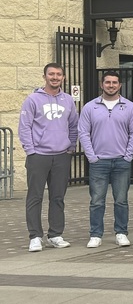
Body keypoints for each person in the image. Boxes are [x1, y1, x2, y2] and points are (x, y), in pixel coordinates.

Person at [20, 63, 79, 252]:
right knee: (35, 197)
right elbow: (25, 127)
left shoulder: (68, 100)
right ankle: (35, 236)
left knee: (58, 197)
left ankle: (55, 235)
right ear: (44, 76)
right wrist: (31, 150)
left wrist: (70, 147)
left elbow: (73, 126)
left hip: (61, 156)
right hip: (39, 155)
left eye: (59, 74)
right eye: (51, 74)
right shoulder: (33, 100)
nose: (55, 77)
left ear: (63, 77)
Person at [79, 71, 133, 249]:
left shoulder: (130, 107)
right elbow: (83, 132)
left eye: (114, 82)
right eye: (108, 82)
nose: (111, 85)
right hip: (99, 161)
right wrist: (91, 156)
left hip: (121, 161)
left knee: (121, 200)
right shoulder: (90, 107)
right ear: (102, 84)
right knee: (97, 200)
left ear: (120, 85)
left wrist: (129, 155)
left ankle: (121, 233)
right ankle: (95, 234)